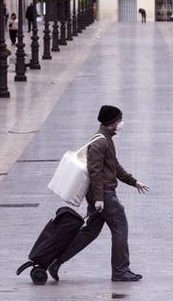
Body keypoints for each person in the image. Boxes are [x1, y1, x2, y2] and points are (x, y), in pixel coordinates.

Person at [48, 105, 149, 283]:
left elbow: (114, 166)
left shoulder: (106, 139)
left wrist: (134, 182)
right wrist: (100, 199)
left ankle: (56, 263)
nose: (121, 123)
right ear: (112, 122)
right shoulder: (100, 142)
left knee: (88, 233)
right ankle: (120, 271)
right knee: (120, 229)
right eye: (119, 120)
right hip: (104, 195)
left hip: (101, 195)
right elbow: (95, 172)